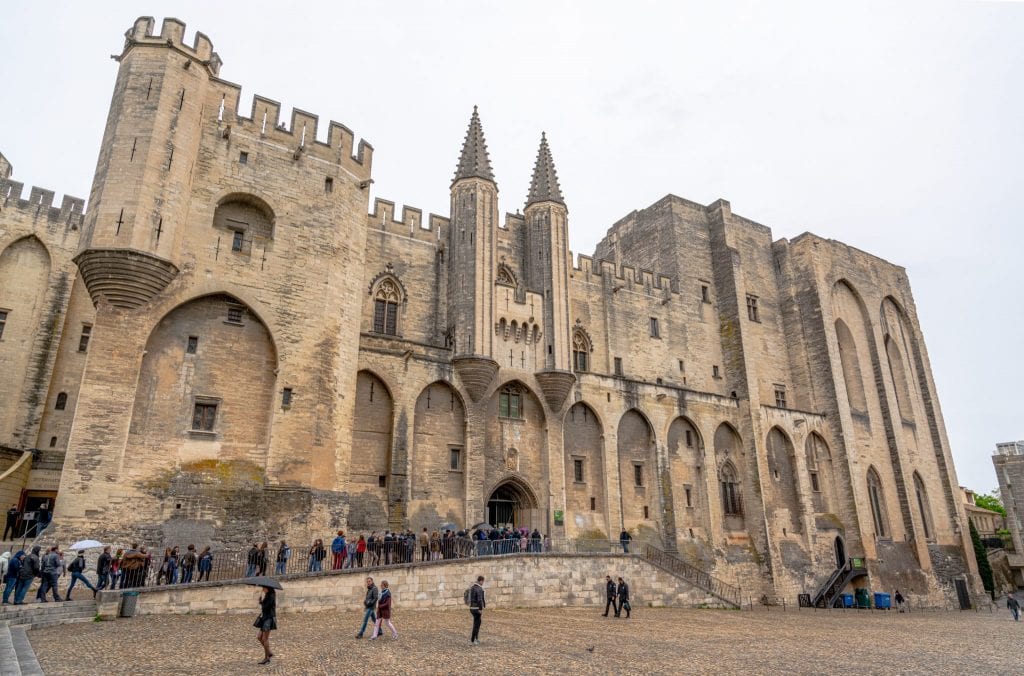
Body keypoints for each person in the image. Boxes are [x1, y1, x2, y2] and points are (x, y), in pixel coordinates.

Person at [253, 585, 277, 665]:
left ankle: (267, 658)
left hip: (269, 619)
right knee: (259, 637)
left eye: (264, 588)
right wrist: (261, 601)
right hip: (265, 618)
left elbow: (266, 607)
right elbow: (265, 606)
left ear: (268, 588)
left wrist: (262, 603)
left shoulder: (271, 596)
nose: (263, 589)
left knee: (264, 638)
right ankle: (269, 652)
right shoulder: (267, 595)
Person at [469, 575, 486, 645]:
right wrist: (480, 608)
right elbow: (479, 600)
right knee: (477, 624)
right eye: (483, 581)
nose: (483, 583)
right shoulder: (479, 588)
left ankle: (474, 639)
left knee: (476, 624)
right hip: (477, 608)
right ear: (481, 581)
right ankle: (474, 640)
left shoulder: (472, 587)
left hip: (472, 608)